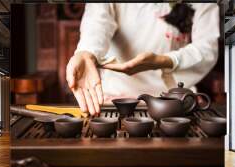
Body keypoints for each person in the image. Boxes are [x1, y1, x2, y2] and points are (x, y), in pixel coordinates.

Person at [66, 3, 220, 115]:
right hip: (117, 98)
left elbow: (207, 49)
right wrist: (86, 53)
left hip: (175, 100)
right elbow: (97, 24)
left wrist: (165, 61)